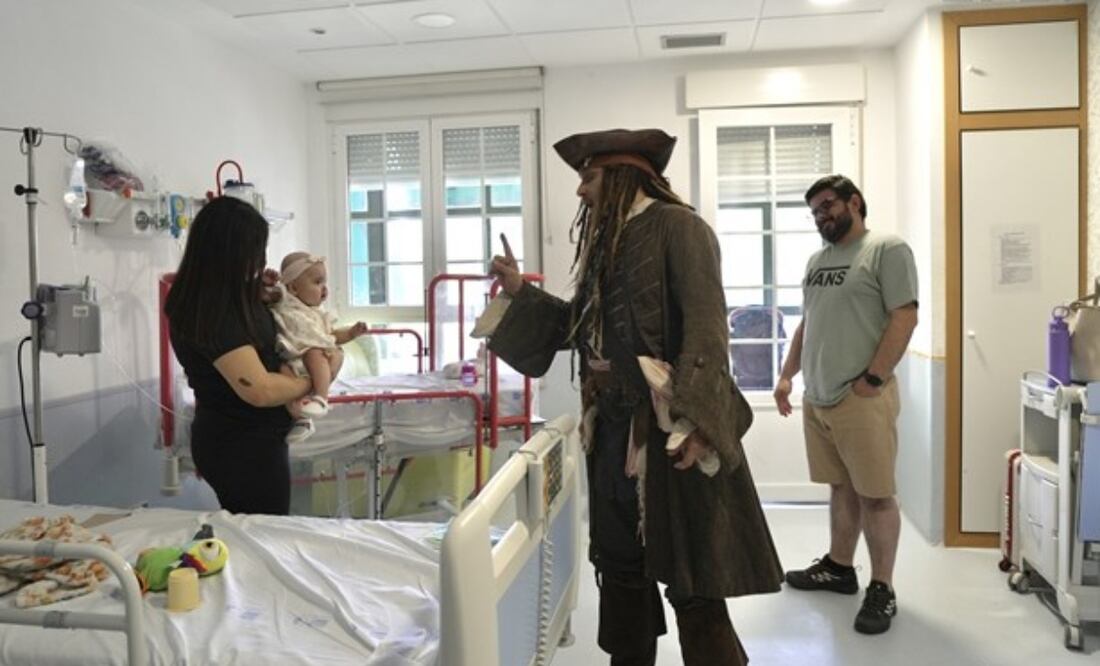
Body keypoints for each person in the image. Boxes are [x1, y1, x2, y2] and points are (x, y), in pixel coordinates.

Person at [486, 128, 782, 666]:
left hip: (670, 429)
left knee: (694, 582)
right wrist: (519, 294)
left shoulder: (680, 228)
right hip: (613, 428)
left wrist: (695, 423)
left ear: (623, 177)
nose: (580, 192)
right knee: (621, 570)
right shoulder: (608, 241)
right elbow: (581, 327)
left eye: (589, 177)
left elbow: (708, 331)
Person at [772, 174, 919, 635]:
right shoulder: (818, 260)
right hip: (818, 398)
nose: (822, 216)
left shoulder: (886, 249)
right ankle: (839, 568)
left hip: (861, 398)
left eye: (829, 205)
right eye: (815, 211)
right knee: (841, 487)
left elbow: (905, 315)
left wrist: (874, 378)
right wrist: (786, 374)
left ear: (855, 202)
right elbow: (807, 322)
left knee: (876, 495)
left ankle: (882, 587)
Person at [164, 196, 313, 515]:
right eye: (255, 253)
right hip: (242, 446)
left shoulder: (224, 295)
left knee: (258, 532)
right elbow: (259, 390)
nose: (260, 261)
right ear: (229, 254)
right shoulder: (211, 310)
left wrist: (261, 293)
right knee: (263, 536)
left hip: (252, 439)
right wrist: (307, 383)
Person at [269, 252, 368, 444]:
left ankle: (321, 398)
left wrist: (352, 333)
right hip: (293, 359)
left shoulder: (319, 314)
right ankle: (301, 419)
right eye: (317, 282)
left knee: (314, 353)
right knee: (282, 372)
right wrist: (268, 281)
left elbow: (333, 336)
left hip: (317, 357)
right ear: (293, 288)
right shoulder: (285, 300)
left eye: (325, 282)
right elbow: (268, 293)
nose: (325, 289)